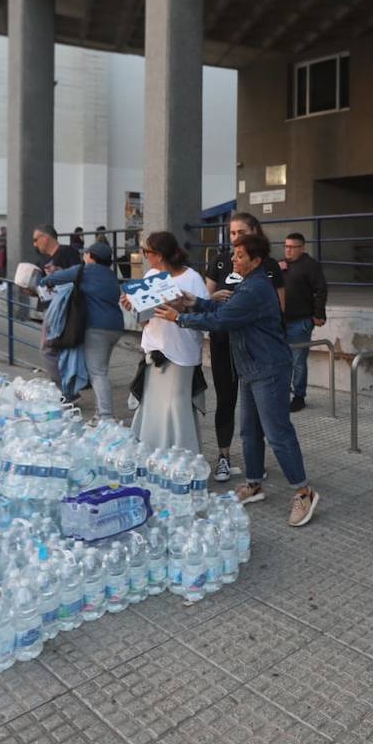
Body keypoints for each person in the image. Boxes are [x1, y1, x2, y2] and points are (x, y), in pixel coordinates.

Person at [156, 232, 319, 528]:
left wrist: (179, 318)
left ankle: (304, 491)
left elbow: (222, 321)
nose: (233, 258)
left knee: (278, 433)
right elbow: (225, 310)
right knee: (249, 432)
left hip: (268, 369)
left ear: (256, 261)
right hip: (251, 368)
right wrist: (195, 302)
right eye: (234, 253)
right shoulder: (248, 285)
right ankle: (254, 484)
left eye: (240, 255)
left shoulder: (256, 288)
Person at [204, 212, 285, 482]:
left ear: (254, 231)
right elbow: (208, 302)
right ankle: (224, 456)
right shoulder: (219, 262)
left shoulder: (268, 266)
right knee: (226, 399)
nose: (236, 239)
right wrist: (213, 300)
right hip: (223, 343)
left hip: (254, 348)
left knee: (258, 410)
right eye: (232, 234)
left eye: (241, 233)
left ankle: (256, 463)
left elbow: (279, 306)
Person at [124, 232, 208, 449]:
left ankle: (181, 454)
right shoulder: (151, 274)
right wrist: (132, 305)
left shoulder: (192, 278)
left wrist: (181, 310)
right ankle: (150, 452)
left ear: (159, 255)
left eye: (146, 252)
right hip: (154, 347)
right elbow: (143, 318)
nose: (144, 257)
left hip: (181, 352)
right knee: (152, 404)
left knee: (176, 405)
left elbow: (205, 318)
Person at [41, 241, 123, 420]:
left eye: (87, 254)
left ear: (92, 257)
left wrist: (44, 280)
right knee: (101, 370)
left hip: (97, 328)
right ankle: (100, 413)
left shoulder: (84, 270)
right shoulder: (110, 275)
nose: (84, 256)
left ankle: (106, 416)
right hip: (115, 328)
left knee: (98, 373)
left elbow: (56, 278)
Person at [30, 224, 82, 386]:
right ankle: (67, 388)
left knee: (48, 349)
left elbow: (79, 277)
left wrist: (59, 273)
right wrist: (31, 290)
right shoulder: (43, 260)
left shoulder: (67, 252)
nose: (34, 244)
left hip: (64, 310)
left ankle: (65, 389)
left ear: (46, 237)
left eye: (36, 239)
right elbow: (44, 287)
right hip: (51, 309)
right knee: (55, 350)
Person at [280, 233, 327, 412]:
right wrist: (276, 268)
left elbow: (321, 290)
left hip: (300, 322)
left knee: (298, 361)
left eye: (292, 247)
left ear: (302, 248)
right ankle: (283, 393)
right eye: (286, 246)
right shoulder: (281, 265)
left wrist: (318, 314)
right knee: (282, 360)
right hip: (281, 321)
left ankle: (299, 396)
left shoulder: (310, 265)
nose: (288, 250)